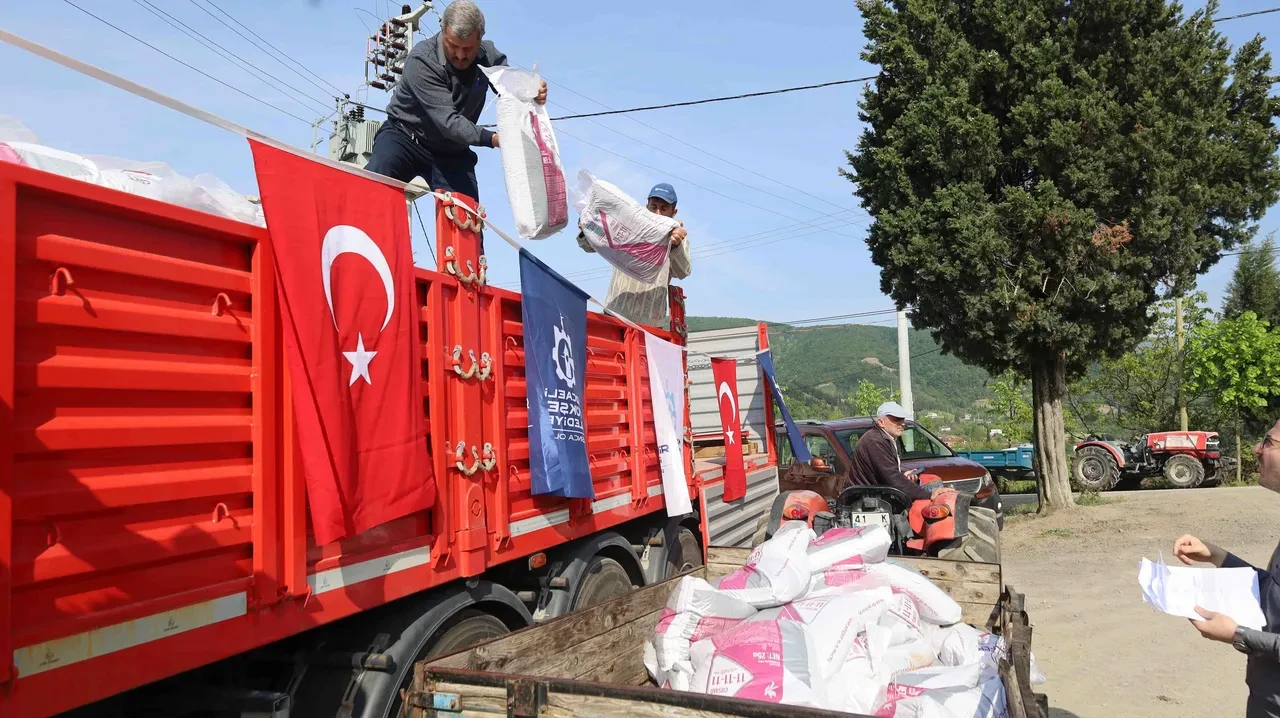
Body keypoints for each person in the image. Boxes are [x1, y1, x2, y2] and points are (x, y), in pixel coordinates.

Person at [364, 0, 546, 200]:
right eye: (453, 46)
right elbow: (448, 122)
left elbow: (509, 87)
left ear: (480, 39)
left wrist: (530, 90)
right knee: (373, 189)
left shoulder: (489, 57)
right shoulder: (422, 60)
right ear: (442, 32)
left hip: (452, 151)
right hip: (405, 138)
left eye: (468, 49)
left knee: (467, 220)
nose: (460, 55)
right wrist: (494, 138)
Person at [1174, 418, 1280, 718]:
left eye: (1268, 442)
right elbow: (1274, 589)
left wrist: (1237, 633)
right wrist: (1216, 555)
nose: (1257, 449)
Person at [576, 182, 691, 327]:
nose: (658, 213)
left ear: (673, 213)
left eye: (664, 209)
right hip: (615, 314)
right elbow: (589, 246)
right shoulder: (630, 225)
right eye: (653, 207)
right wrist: (587, 227)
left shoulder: (677, 235)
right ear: (646, 206)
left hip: (651, 324)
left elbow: (683, 272)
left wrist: (675, 246)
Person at [848, 401, 946, 502]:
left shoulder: (883, 438)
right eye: (896, 419)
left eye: (902, 419)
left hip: (873, 497)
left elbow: (886, 472)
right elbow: (891, 477)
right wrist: (928, 495)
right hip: (868, 502)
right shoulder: (875, 441)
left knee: (932, 481)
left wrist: (902, 475)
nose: (902, 423)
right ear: (881, 422)